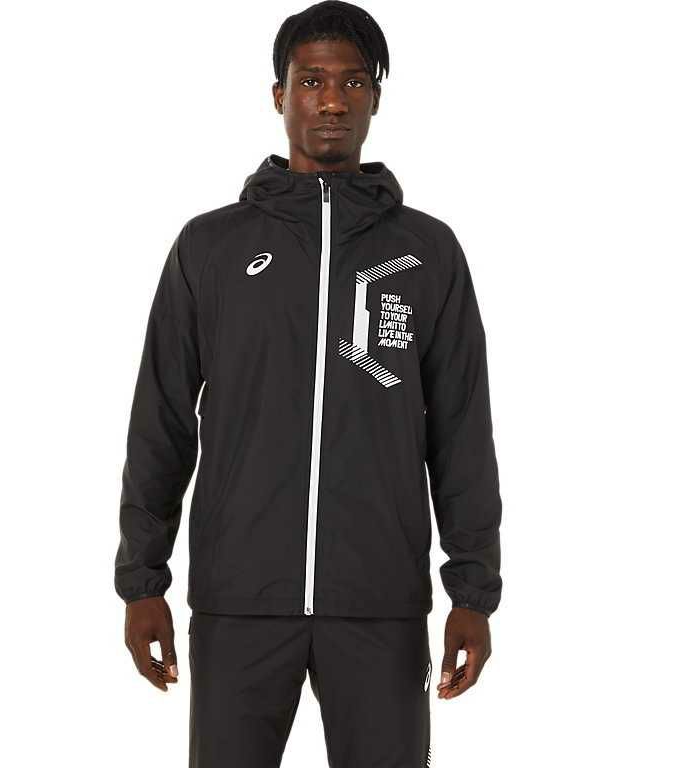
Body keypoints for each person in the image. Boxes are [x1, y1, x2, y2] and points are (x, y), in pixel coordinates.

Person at [115, 2, 502, 765]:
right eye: (312, 81)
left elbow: (461, 428)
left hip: (380, 601)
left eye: (353, 82)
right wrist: (142, 581)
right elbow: (162, 418)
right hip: (239, 598)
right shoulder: (210, 247)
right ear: (279, 95)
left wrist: (473, 592)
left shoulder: (426, 252)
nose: (332, 101)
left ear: (376, 98)